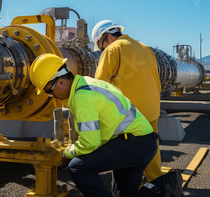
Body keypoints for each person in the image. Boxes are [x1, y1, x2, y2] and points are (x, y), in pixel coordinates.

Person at [29, 53, 158, 196]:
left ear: (60, 82)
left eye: (49, 91)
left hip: (133, 143)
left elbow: (90, 143)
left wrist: (68, 153)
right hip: (142, 140)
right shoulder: (87, 83)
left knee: (77, 167)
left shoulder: (81, 96)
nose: (52, 96)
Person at [92, 20, 163, 183]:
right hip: (152, 109)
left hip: (131, 115)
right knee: (151, 148)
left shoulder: (113, 49)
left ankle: (130, 187)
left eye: (101, 45)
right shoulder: (145, 48)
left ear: (108, 37)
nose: (102, 49)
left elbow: (99, 85)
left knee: (125, 152)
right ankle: (157, 184)